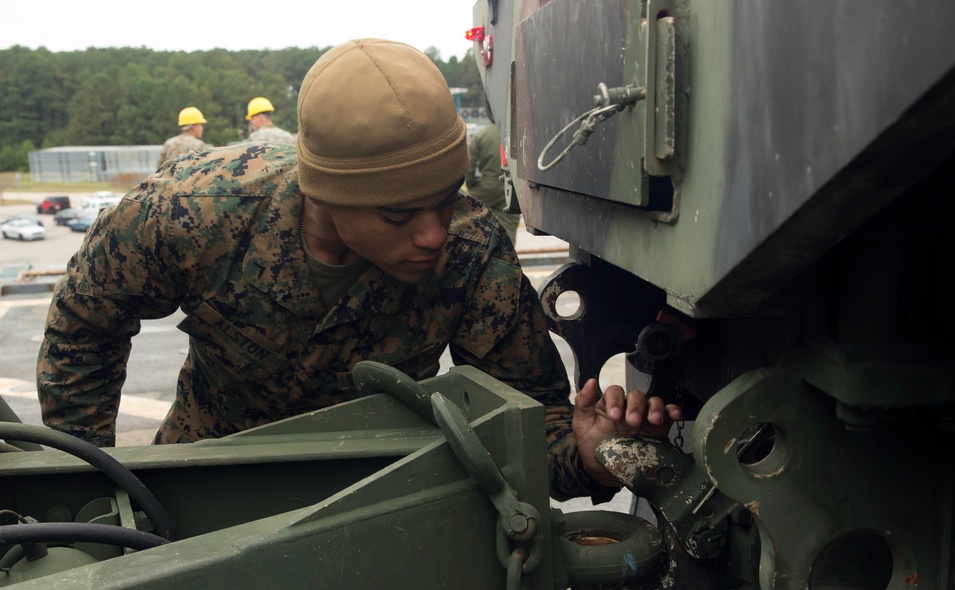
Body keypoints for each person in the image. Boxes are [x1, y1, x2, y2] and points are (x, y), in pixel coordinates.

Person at [36, 38, 678, 502]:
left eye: (445, 198)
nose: (433, 234)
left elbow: (526, 425)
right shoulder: (192, 215)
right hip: (208, 473)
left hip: (378, 493)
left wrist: (590, 454)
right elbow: (83, 325)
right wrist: (91, 478)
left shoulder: (473, 248)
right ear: (323, 195)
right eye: (399, 216)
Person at [466, 121, 521, 245]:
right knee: (508, 226)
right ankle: (507, 257)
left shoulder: (481, 135)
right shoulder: (514, 134)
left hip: (486, 187)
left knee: (474, 223)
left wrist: (471, 184)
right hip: (511, 187)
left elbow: (470, 165)